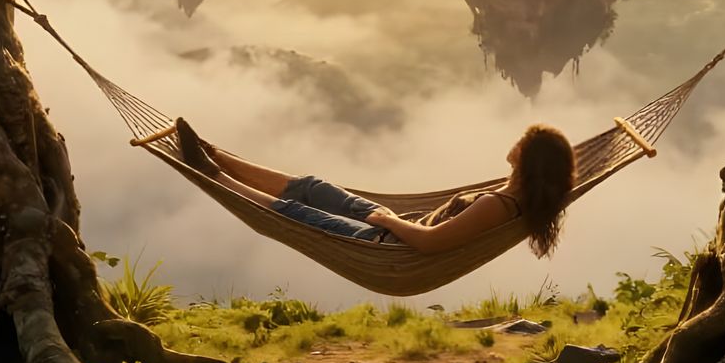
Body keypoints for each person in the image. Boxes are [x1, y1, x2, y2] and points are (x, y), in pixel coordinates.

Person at [173, 118, 576, 257]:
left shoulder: (498, 205)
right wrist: (393, 220)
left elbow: (433, 244)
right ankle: (218, 156)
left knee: (300, 215)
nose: (515, 143)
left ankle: (214, 174)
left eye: (523, 141)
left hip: (391, 246)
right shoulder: (514, 194)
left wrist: (388, 220)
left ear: (529, 159)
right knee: (314, 187)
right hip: (395, 229)